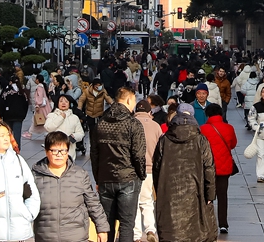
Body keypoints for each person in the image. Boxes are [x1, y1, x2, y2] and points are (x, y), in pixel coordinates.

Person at [151, 108, 215, 242]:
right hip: (195, 194)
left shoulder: (164, 140)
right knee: (196, 233)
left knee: (171, 233)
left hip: (170, 196)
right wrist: (210, 195)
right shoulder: (201, 140)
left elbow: (156, 168)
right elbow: (209, 168)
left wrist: (159, 190)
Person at [31, 131, 109, 242]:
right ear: (46, 151)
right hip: (46, 236)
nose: (59, 155)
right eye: (54, 151)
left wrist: (102, 228)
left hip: (76, 236)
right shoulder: (34, 175)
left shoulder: (80, 174)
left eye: (63, 151)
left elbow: (93, 203)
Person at [91, 88, 146, 242]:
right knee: (127, 224)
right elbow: (138, 154)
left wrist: (97, 177)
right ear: (128, 100)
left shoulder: (101, 122)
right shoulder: (133, 124)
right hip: (128, 178)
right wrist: (141, 175)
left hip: (105, 177)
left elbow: (94, 153)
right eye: (134, 101)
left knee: (106, 223)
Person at [199, 104, 236, 234]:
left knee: (207, 195)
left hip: (207, 167)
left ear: (208, 114)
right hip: (224, 168)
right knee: (222, 196)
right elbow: (233, 144)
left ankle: (207, 223)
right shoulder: (229, 128)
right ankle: (223, 224)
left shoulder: (203, 129)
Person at [132, 101, 163, 242]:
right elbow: (161, 149)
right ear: (150, 112)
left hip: (132, 170)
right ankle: (150, 229)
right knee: (147, 201)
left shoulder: (130, 123)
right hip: (149, 169)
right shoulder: (156, 126)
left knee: (134, 203)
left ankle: (136, 236)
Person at [0, 82, 29, 148]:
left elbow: (1, 103)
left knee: (7, 133)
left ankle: (7, 148)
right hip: (18, 116)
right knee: (17, 134)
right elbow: (26, 104)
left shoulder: (6, 91)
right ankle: (16, 149)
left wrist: (1, 114)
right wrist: (23, 115)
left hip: (7, 115)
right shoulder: (22, 92)